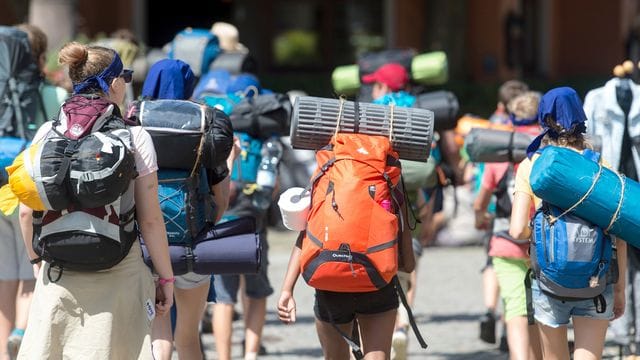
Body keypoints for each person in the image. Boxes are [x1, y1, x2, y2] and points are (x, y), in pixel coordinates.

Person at [16, 42, 174, 359]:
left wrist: (37, 262)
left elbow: (24, 211)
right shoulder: (135, 136)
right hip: (120, 271)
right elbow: (151, 221)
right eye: (124, 77)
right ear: (113, 82)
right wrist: (166, 278)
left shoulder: (47, 133)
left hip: (59, 273)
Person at [509, 87, 627, 359]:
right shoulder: (601, 165)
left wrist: (543, 229)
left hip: (550, 279)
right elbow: (617, 233)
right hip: (596, 279)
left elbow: (516, 229)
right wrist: (619, 289)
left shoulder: (532, 165)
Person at [0, 23, 67, 360]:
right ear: (38, 57)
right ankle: (21, 333)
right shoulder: (52, 95)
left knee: (3, 276)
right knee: (30, 269)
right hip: (28, 190)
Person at [361, 62, 424, 360]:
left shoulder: (373, 110)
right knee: (407, 266)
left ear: (383, 87)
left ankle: (379, 332)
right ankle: (401, 326)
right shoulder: (419, 111)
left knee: (378, 264)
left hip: (376, 200)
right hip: (410, 202)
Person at [473, 91, 542, 359]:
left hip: (505, 241)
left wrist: (480, 218)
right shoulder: (549, 151)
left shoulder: (500, 151)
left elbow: (482, 200)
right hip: (542, 244)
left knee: (515, 309)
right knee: (541, 311)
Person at [211, 74, 275, 360]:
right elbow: (272, 189)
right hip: (254, 222)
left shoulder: (218, 128)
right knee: (256, 291)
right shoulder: (263, 133)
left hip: (223, 224)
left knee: (224, 299)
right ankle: (250, 354)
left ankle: (223, 357)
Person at [584, 72, 640, 358]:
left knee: (630, 261)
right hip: (610, 189)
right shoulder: (596, 98)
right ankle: (622, 330)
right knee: (617, 258)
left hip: (631, 190)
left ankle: (634, 332)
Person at [478, 78, 529, 350]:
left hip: (502, 233)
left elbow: (483, 191)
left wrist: (478, 214)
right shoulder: (542, 149)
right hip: (537, 239)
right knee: (533, 304)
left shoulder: (499, 146)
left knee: (511, 297)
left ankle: (489, 309)